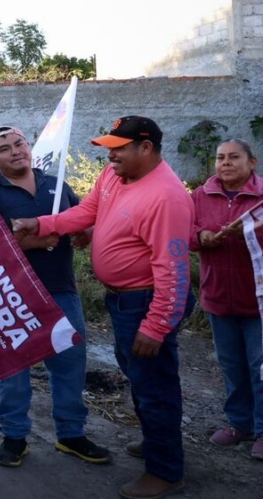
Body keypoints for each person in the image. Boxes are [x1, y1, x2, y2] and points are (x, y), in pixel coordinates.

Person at [14, 116, 194, 499]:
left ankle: (165, 471)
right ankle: (157, 443)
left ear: (145, 148)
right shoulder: (115, 176)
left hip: (146, 302)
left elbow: (174, 270)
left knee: (154, 386)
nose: (110, 155)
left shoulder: (167, 197)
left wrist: (157, 325)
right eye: (109, 147)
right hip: (123, 300)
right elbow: (86, 213)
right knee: (140, 376)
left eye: (119, 148)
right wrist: (41, 223)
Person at [0, 126, 110, 467]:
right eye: (4, 148)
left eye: (19, 143)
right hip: (12, 296)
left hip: (61, 290)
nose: (14, 151)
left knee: (69, 365)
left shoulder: (57, 185)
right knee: (15, 370)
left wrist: (85, 231)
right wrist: (40, 239)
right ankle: (14, 437)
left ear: (29, 146)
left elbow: (81, 219)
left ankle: (71, 435)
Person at [190, 139, 263, 461]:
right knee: (232, 367)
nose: (226, 163)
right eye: (221, 157)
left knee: (260, 368)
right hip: (218, 296)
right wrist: (202, 236)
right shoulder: (200, 195)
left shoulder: (261, 199)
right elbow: (185, 231)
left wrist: (250, 232)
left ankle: (262, 431)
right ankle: (239, 425)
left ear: (252, 162)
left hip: (258, 300)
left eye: (234, 157)